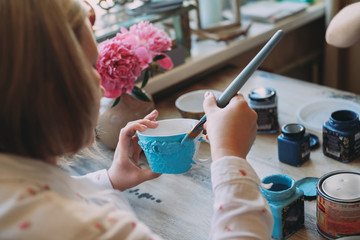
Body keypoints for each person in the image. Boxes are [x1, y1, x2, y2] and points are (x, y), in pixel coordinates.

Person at [0, 0, 273, 239]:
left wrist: (110, 180)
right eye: (89, 66)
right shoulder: (79, 229)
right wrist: (230, 157)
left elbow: (59, 190)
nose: (99, 80)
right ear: (45, 91)